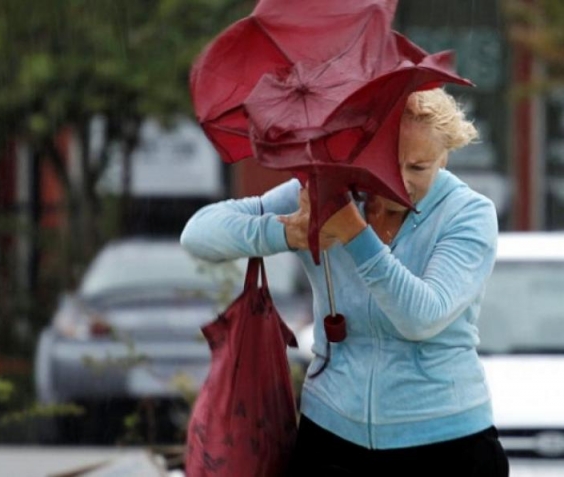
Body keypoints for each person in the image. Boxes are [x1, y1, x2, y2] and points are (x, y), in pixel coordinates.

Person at [180, 88, 509, 476]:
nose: (400, 181)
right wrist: (289, 235)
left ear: (445, 157)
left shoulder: (469, 214)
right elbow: (198, 234)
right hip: (332, 432)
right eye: (387, 163)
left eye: (419, 168)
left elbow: (421, 317)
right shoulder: (328, 194)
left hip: (446, 441)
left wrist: (354, 234)